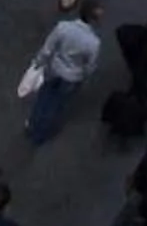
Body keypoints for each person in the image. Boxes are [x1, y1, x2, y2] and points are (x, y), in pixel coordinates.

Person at [23, 7, 102, 145]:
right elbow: (90, 66)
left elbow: (48, 48)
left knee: (43, 97)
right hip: (72, 78)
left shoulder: (63, 27)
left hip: (55, 69)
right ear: (93, 20)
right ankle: (40, 134)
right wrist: (84, 76)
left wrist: (38, 62)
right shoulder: (94, 43)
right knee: (56, 104)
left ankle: (31, 125)